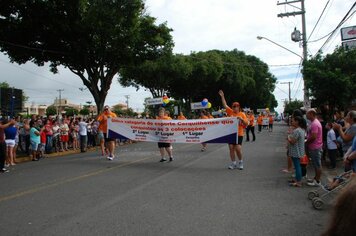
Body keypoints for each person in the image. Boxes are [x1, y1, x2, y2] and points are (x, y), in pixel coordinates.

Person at [218, 90, 248, 170]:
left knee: (238, 148)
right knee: (231, 148)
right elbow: (225, 105)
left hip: (239, 133)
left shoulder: (242, 114)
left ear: (239, 107)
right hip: (231, 133)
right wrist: (222, 96)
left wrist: (241, 119)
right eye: (234, 106)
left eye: (236, 106)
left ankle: (241, 162)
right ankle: (233, 163)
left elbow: (246, 123)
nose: (235, 107)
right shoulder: (230, 112)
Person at [287, 116, 307, 187]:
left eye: (293, 121)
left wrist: (288, 137)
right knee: (297, 165)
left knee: (297, 166)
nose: (292, 122)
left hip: (296, 151)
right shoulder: (301, 129)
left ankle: (298, 182)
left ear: (297, 122)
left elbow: (293, 141)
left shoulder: (297, 130)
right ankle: (297, 179)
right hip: (299, 150)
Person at [306, 109, 323, 187]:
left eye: (308, 114)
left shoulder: (315, 124)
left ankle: (317, 181)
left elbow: (313, 137)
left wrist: (306, 142)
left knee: (317, 164)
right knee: (315, 164)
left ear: (312, 114)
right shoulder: (313, 123)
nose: (306, 115)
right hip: (314, 147)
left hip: (315, 147)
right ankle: (315, 178)